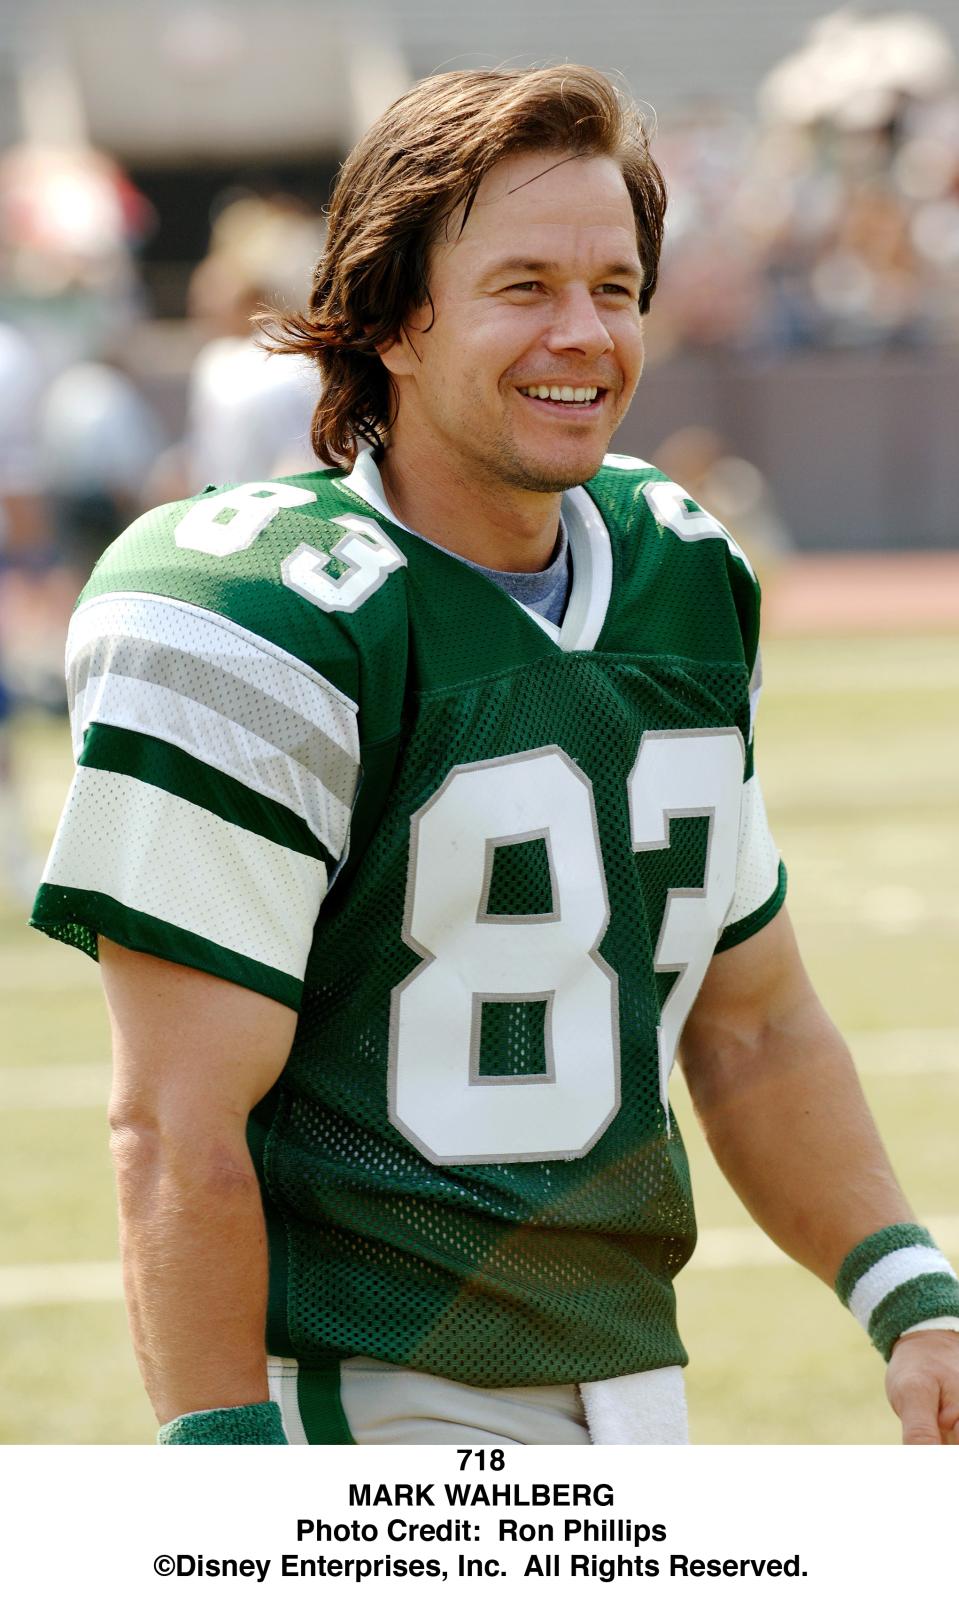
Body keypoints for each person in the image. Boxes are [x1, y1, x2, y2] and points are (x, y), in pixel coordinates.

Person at [31, 66, 959, 1447]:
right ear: (389, 319)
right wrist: (229, 1486)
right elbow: (176, 1125)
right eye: (524, 287)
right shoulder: (255, 611)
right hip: (361, 1402)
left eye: (615, 287)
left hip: (628, 1387)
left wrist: (911, 1295)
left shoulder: (679, 570)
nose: (582, 332)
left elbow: (752, 1019)